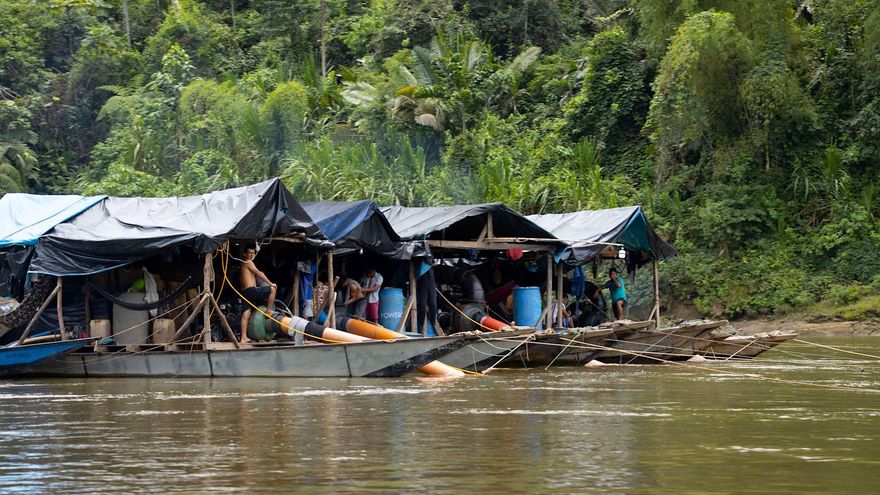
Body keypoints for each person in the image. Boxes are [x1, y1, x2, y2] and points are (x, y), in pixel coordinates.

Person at [239, 246, 277, 343]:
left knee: (246, 314)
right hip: (251, 290)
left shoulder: (243, 263)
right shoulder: (248, 262)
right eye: (249, 253)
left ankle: (243, 337)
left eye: (253, 253)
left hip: (245, 292)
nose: (252, 255)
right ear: (245, 254)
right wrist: (270, 283)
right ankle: (269, 311)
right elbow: (259, 273)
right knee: (272, 289)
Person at [416, 264, 438, 335]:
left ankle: (433, 322)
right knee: (422, 304)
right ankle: (421, 323)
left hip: (430, 280)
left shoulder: (430, 265)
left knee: (433, 303)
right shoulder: (420, 263)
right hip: (422, 280)